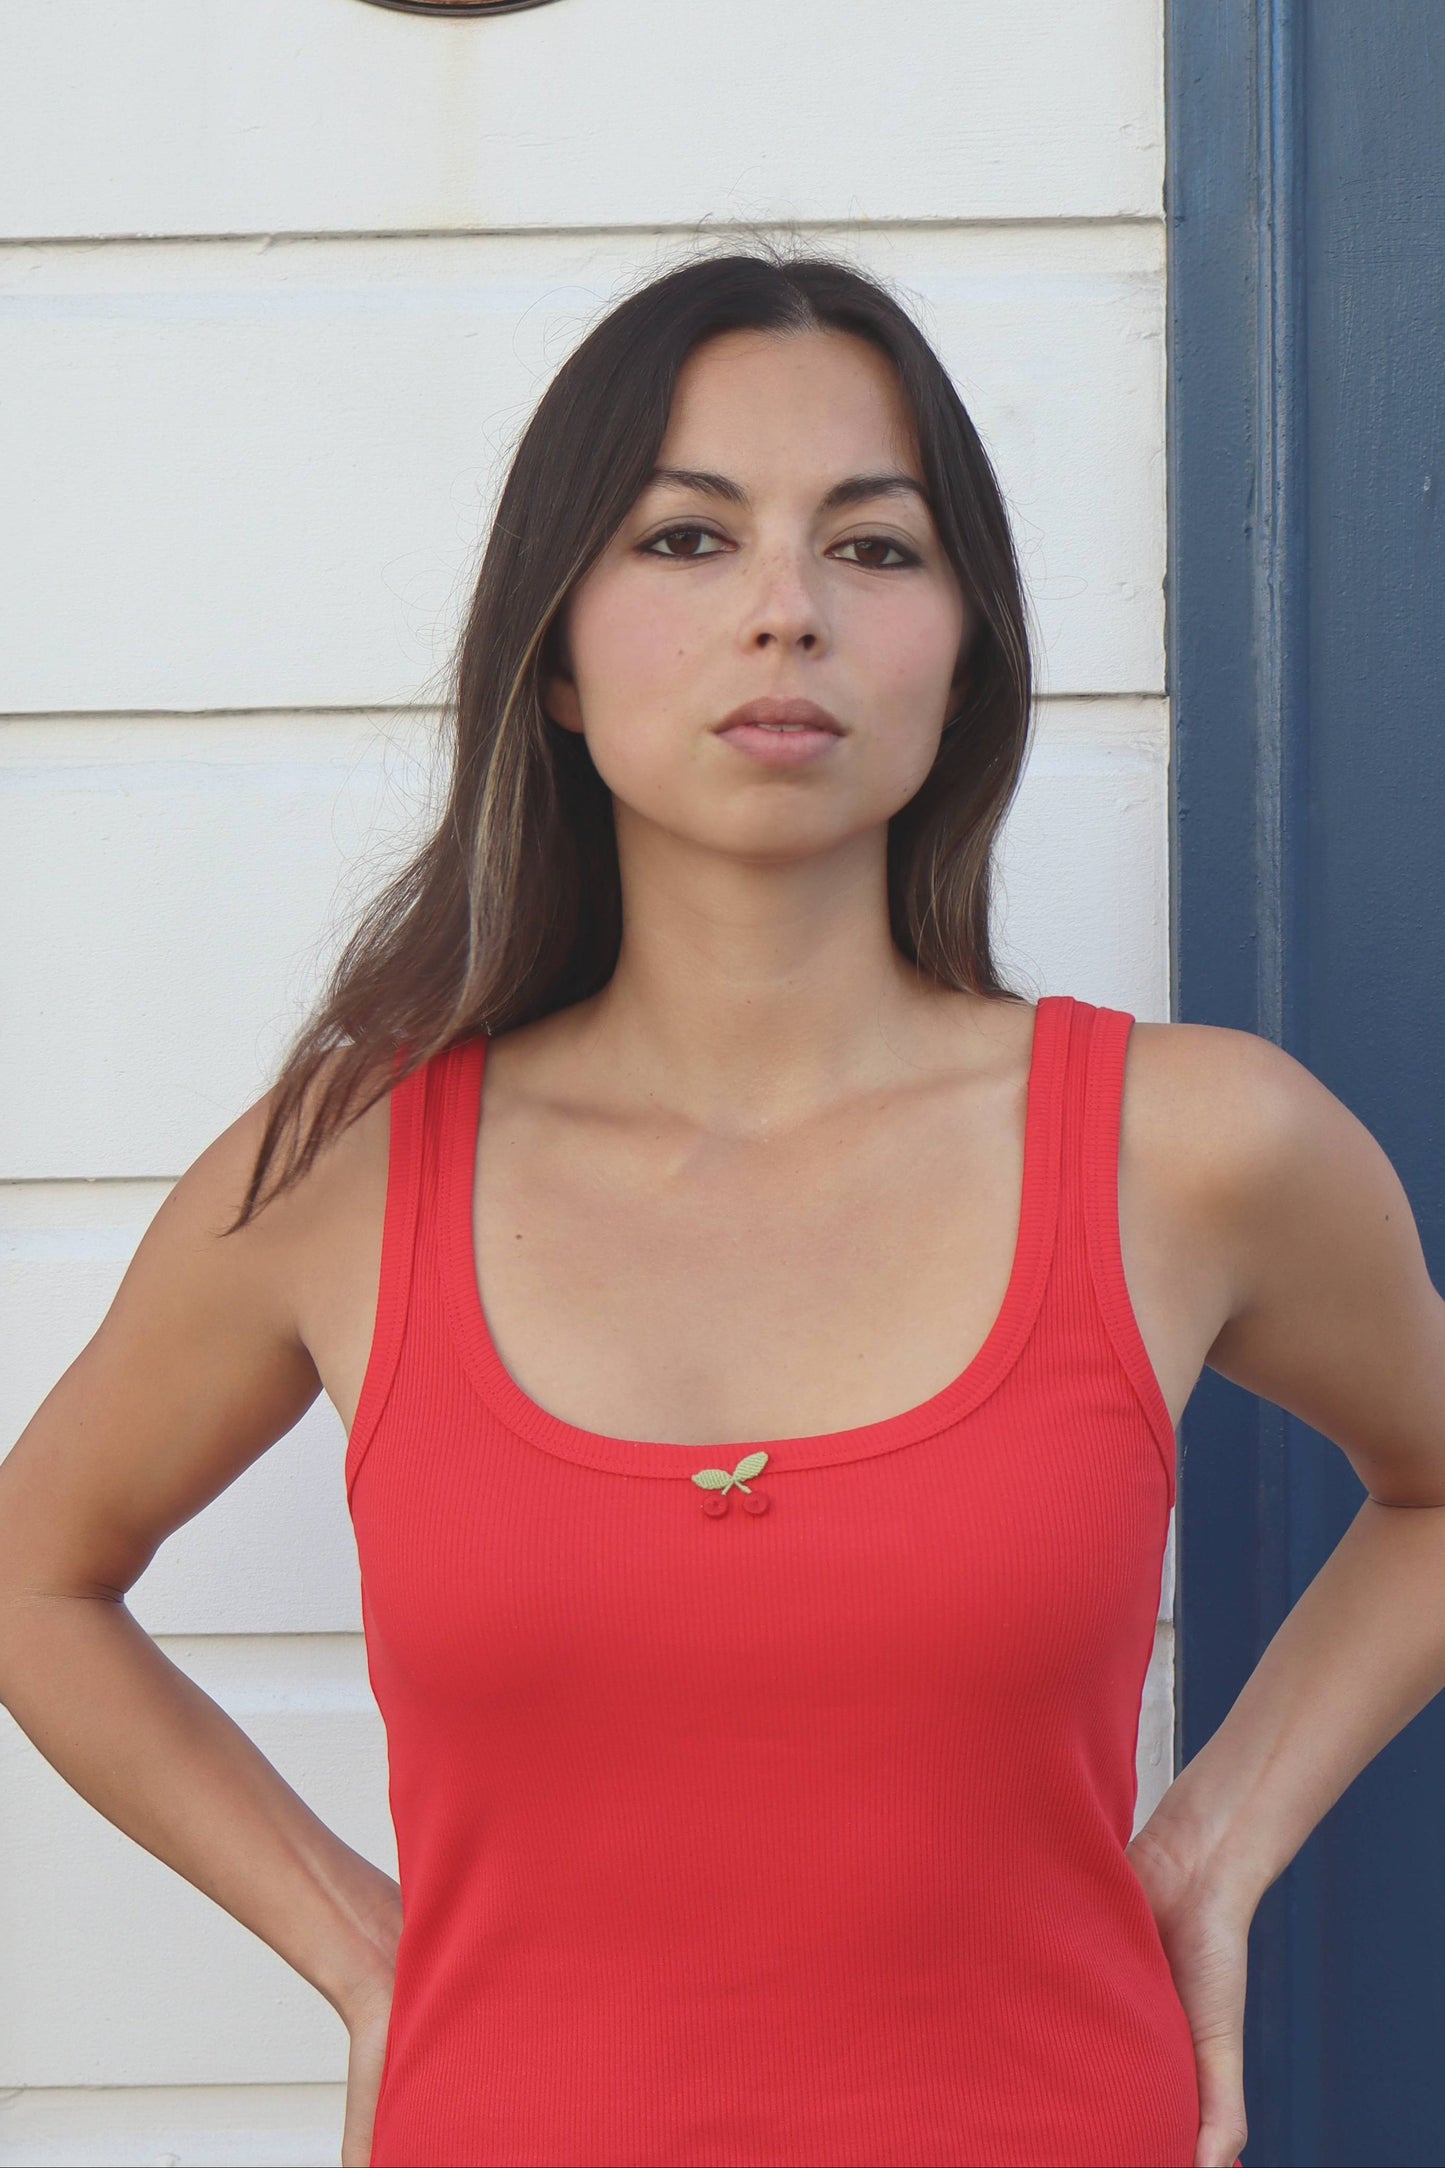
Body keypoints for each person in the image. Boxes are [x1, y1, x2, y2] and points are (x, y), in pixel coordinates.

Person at [1, 245, 1442, 2168]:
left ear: (966, 646)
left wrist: (1214, 1852)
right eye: (688, 542)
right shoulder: (348, 1167)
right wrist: (360, 1954)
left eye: (873, 545)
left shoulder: (1189, 1148)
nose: (787, 612)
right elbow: (37, 1579)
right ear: (558, 658)